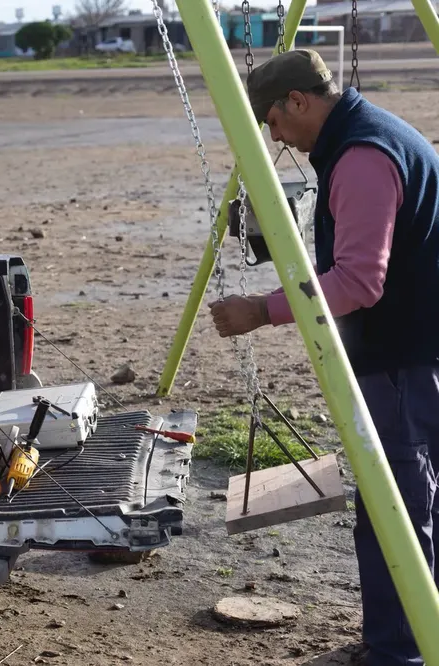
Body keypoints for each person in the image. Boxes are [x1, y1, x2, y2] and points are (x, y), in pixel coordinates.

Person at [208, 49, 439, 666]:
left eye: (274, 122)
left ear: (299, 101)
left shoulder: (363, 157)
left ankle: (400, 651)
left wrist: (261, 309)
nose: (275, 138)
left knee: (395, 511)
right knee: (416, 501)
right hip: (418, 351)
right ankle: (417, 630)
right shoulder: (378, 133)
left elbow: (360, 282)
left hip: (403, 362)